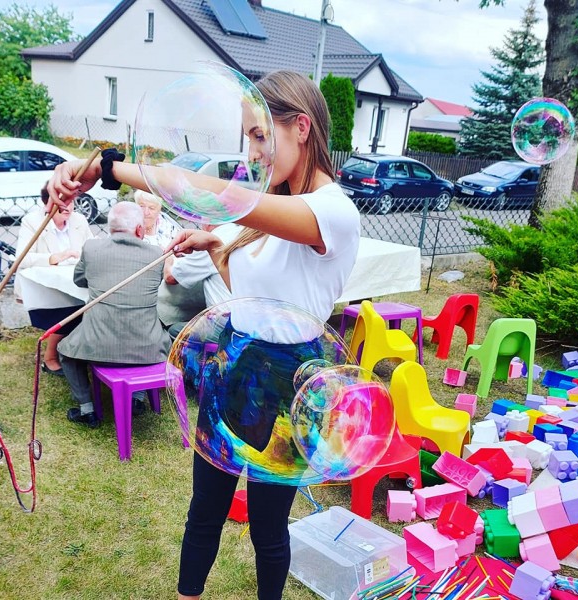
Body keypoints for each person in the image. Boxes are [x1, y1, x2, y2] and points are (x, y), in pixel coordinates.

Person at [46, 70, 361, 599]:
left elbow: (206, 191)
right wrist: (217, 249)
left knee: (268, 527)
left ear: (302, 127)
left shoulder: (334, 212)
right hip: (235, 365)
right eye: (248, 138)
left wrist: (109, 168)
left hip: (289, 381)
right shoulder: (268, 212)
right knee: (205, 510)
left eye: (260, 136)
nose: (253, 153)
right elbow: (255, 298)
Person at [57, 202, 171, 428]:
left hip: (97, 346)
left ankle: (87, 409)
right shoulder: (157, 253)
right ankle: (137, 398)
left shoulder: (92, 248)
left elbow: (79, 279)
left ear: (110, 228)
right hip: (148, 346)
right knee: (150, 332)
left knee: (65, 351)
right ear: (139, 229)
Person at [14, 184, 94, 375]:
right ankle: (50, 358)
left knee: (91, 303)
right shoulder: (33, 221)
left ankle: (76, 353)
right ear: (48, 203)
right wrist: (54, 257)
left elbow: (92, 247)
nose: (68, 207)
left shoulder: (79, 220)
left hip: (74, 280)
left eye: (71, 201)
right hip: (44, 286)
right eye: (62, 202)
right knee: (69, 309)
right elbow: (21, 259)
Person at [157, 223, 239, 340]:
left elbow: (171, 277)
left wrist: (167, 258)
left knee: (175, 330)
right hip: (247, 315)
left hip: (228, 323)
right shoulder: (240, 233)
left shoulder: (213, 240)